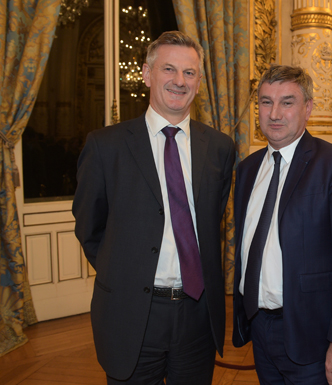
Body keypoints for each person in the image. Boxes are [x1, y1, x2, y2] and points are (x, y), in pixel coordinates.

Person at [73, 31, 235, 384]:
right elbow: (89, 227)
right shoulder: (106, 147)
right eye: (169, 70)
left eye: (189, 73)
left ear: (200, 81)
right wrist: (124, 273)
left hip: (197, 316)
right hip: (130, 315)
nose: (179, 81)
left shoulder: (221, 148)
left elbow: (211, 222)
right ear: (147, 74)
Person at [232, 64, 332, 384]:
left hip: (314, 337)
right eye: (266, 102)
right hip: (259, 327)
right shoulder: (248, 169)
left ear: (307, 108)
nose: (275, 113)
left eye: (287, 101)